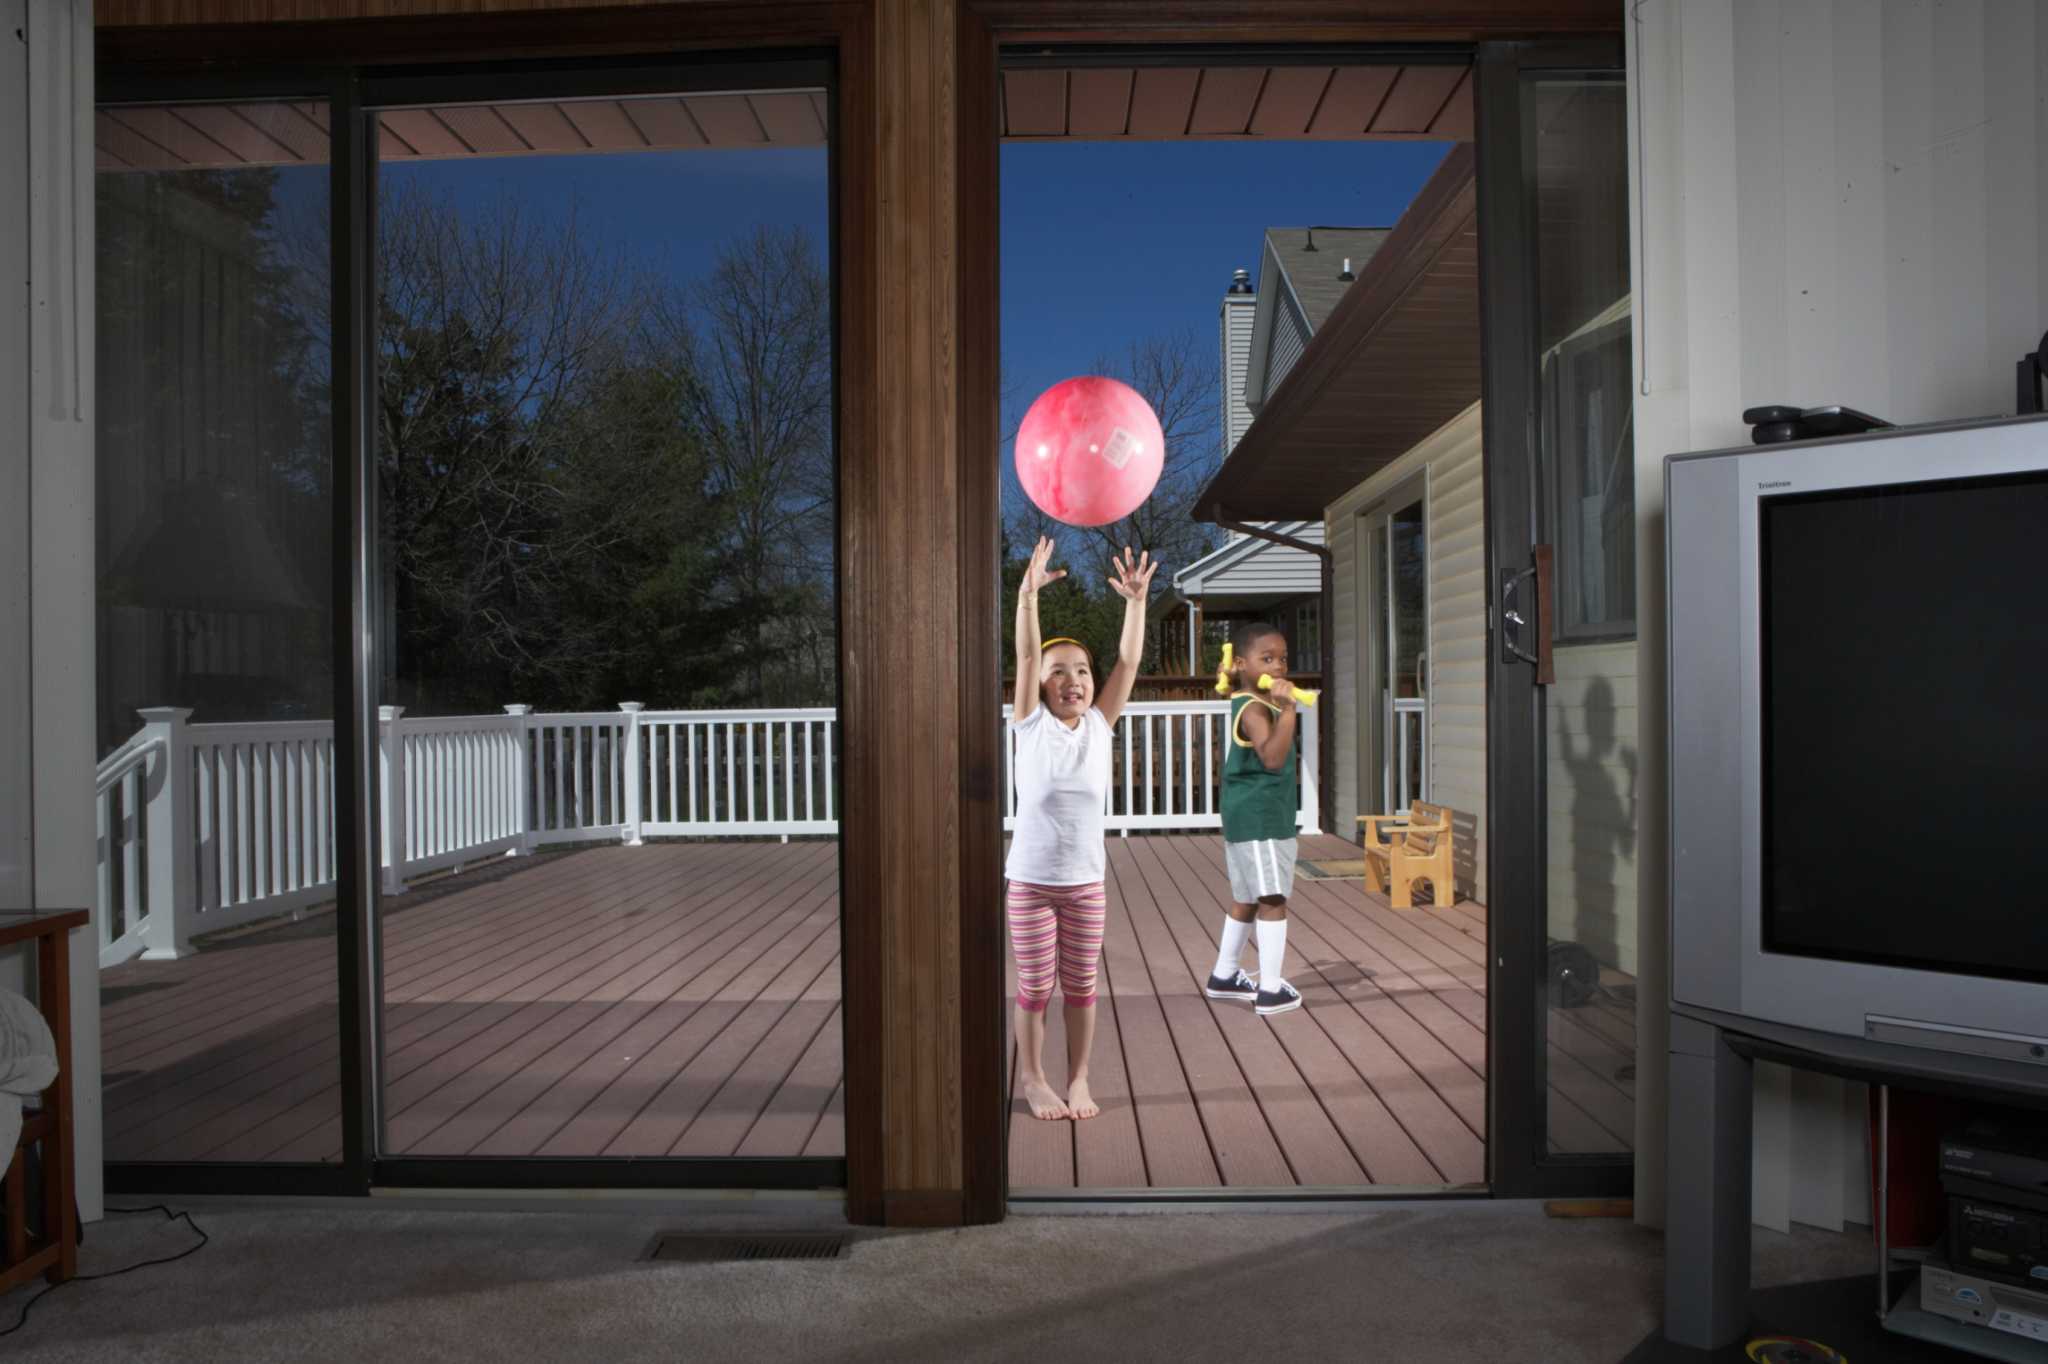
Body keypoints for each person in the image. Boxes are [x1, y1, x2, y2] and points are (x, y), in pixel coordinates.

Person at [1006, 535, 1156, 1120]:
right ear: (1041, 686)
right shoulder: (1029, 726)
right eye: (1059, 672)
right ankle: (1033, 1078)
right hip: (1032, 884)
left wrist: (1137, 604)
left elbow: (1129, 661)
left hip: (1086, 883)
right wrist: (1027, 597)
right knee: (1035, 989)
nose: (1074, 679)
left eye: (1081, 670)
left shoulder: (1099, 725)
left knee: (1082, 987)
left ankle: (1079, 1079)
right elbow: (1023, 655)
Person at [1204, 621, 1304, 1016]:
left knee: (1246, 898)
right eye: (1267, 659)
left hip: (1247, 816)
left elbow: (1236, 687)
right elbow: (1273, 757)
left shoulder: (1246, 697)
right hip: (1261, 819)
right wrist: (1291, 710)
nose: (1278, 667)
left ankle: (1225, 975)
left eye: (1282, 659)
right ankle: (1272, 990)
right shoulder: (1256, 709)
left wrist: (1279, 704)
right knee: (1273, 899)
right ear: (1244, 663)